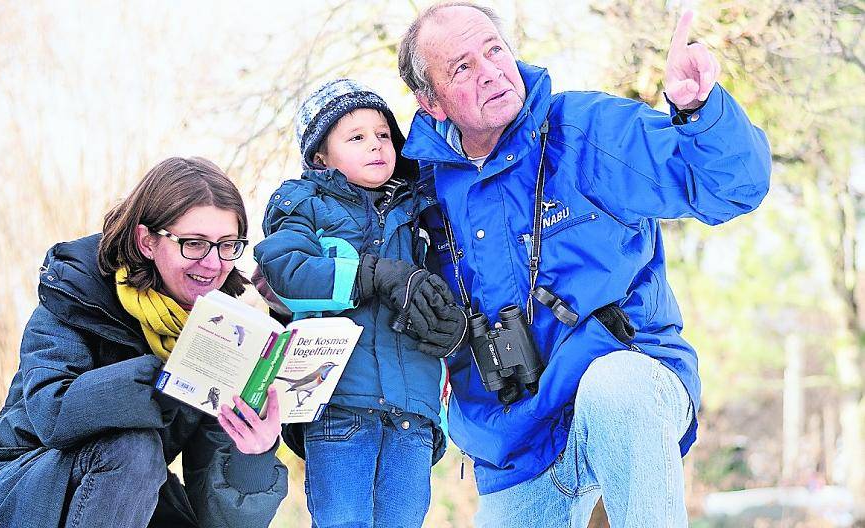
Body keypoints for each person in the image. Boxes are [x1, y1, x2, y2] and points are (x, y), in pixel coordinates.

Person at [396, 3, 771, 527]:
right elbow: (353, 273)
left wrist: (699, 113)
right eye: (462, 68)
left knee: (612, 384)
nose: (491, 73)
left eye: (494, 50)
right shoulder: (415, 194)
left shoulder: (585, 132)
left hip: (629, 385)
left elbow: (728, 188)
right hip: (515, 442)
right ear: (430, 102)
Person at [0, 157, 288, 528]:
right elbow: (52, 414)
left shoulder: (222, 334)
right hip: (0, 497)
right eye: (194, 244)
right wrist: (168, 373)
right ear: (147, 241)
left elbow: (217, 518)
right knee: (134, 451)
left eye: (228, 245)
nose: (213, 263)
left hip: (115, 500)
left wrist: (255, 454)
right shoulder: (79, 294)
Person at [254, 79, 467, 526]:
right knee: (343, 519)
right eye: (356, 137)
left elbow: (458, 282)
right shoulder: (304, 204)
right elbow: (287, 271)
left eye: (384, 135)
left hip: (414, 409)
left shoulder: (421, 211)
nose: (376, 145)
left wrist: (453, 325)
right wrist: (372, 273)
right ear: (320, 157)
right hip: (338, 403)